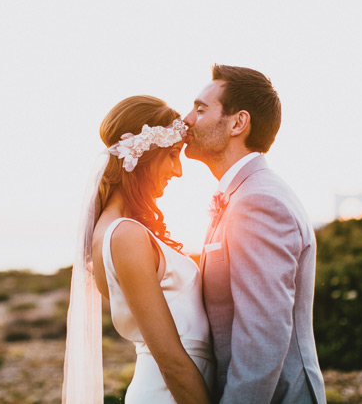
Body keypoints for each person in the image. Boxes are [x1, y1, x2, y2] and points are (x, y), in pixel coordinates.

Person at [183, 65, 326, 403]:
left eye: (200, 109)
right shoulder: (244, 194)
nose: (187, 119)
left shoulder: (258, 202)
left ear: (238, 123)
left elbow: (261, 339)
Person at [62, 95, 214, 403]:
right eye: (172, 155)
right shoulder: (125, 235)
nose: (178, 170)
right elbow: (170, 359)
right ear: (142, 156)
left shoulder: (114, 230)